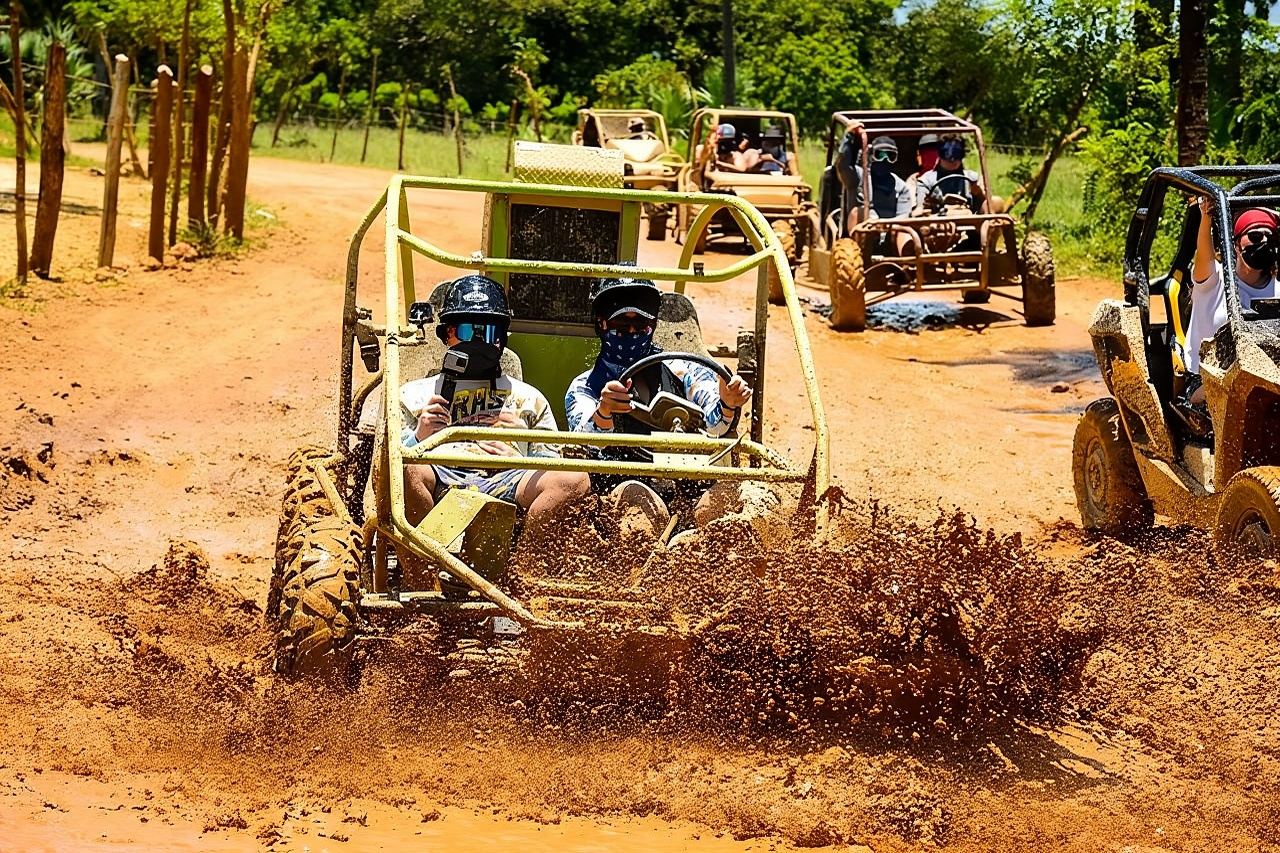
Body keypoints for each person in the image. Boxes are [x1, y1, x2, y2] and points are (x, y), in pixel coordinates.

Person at [564, 272, 753, 535]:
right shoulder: (585, 388)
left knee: (736, 506)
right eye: (621, 325)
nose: (631, 332)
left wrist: (728, 402)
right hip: (625, 486)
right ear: (602, 325)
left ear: (651, 328)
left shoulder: (682, 369)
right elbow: (586, 439)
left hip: (691, 483)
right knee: (639, 517)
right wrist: (604, 411)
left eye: (641, 326)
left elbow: (716, 425)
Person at [399, 274, 589, 530]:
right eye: (467, 331)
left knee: (574, 478)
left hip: (509, 479)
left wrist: (522, 456)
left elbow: (552, 463)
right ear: (447, 335)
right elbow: (384, 468)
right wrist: (419, 438)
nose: (476, 341)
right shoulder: (413, 395)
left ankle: (526, 566)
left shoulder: (529, 399)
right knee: (402, 470)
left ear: (501, 339)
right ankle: (422, 570)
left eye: (487, 332)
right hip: (437, 476)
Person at [1178, 199, 1280, 427]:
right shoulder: (1214, 280)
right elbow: (1204, 252)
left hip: (1268, 382)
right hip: (1208, 380)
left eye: (1269, 237)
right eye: (1254, 236)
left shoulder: (1278, 288)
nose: (1262, 241)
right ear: (1236, 244)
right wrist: (1206, 217)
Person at [914, 136, 986, 214]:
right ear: (940, 154)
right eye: (947, 154)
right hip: (938, 222)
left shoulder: (973, 178)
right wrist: (926, 206)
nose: (952, 160)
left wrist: (978, 194)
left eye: (957, 154)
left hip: (969, 218)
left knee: (995, 202)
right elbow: (919, 208)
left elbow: (984, 205)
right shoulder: (926, 181)